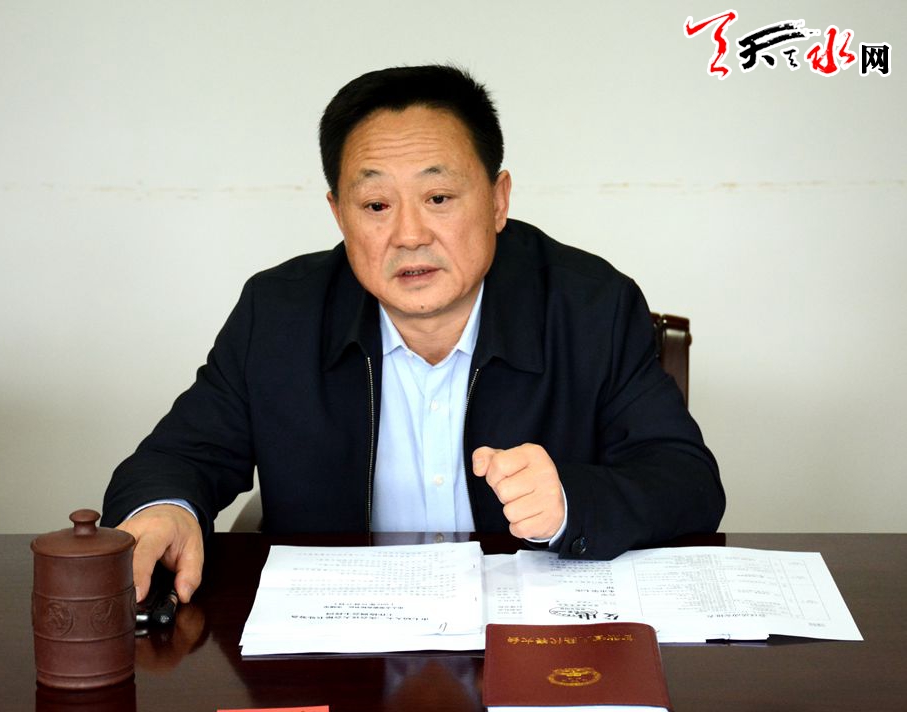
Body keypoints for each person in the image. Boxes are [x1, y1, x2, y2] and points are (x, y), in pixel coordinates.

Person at [102, 65, 724, 605]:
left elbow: (687, 481)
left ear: (498, 200)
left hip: (531, 642)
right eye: (376, 205)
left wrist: (572, 501)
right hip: (343, 645)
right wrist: (165, 509)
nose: (409, 235)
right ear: (338, 214)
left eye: (439, 197)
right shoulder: (279, 314)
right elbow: (178, 457)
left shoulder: (590, 306)